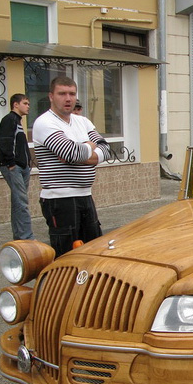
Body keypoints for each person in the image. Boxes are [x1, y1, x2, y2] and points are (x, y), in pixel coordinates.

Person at [32, 76, 112, 257]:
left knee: (94, 250)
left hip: (85, 195)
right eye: (62, 93)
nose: (68, 98)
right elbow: (72, 153)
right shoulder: (45, 123)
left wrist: (80, 151)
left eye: (72, 94)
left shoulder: (82, 122)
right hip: (60, 200)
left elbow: (106, 150)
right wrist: (89, 147)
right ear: (51, 96)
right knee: (66, 254)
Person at [0, 93, 35, 240]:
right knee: (22, 202)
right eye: (25, 103)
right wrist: (11, 163)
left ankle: (19, 236)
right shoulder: (9, 120)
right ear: (16, 105)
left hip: (22, 167)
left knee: (18, 203)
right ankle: (27, 237)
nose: (28, 107)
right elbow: (5, 142)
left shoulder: (17, 121)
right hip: (14, 168)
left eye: (29, 104)